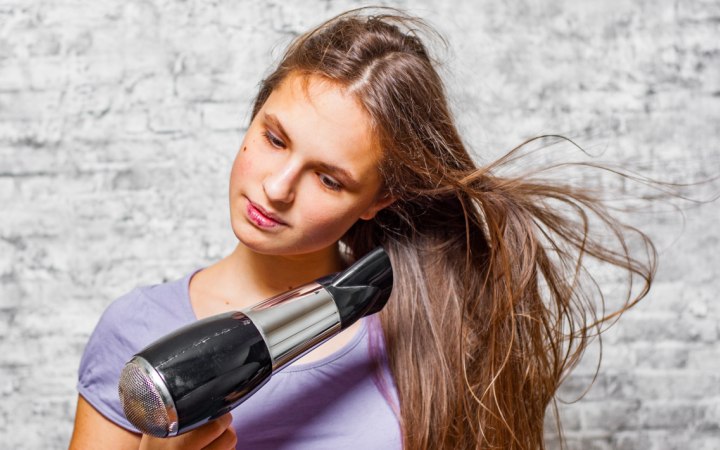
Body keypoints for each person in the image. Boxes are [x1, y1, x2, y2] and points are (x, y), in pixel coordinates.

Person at [69, 6, 656, 450]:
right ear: (254, 115)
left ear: (380, 199)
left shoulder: (428, 341)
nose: (276, 188)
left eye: (329, 179)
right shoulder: (135, 334)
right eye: (275, 139)